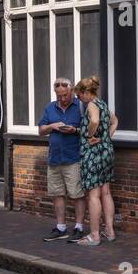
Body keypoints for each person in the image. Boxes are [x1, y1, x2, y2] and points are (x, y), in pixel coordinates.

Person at [37, 77, 87, 242]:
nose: (62, 99)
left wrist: (75, 130)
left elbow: (89, 130)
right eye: (59, 96)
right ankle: (61, 227)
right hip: (54, 159)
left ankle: (79, 227)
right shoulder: (49, 108)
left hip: (73, 158)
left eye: (65, 95)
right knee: (57, 194)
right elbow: (41, 130)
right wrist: (52, 126)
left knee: (77, 194)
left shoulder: (80, 106)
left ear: (71, 91)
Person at [70, 75, 117, 246]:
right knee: (106, 192)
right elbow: (115, 121)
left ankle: (95, 235)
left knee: (93, 195)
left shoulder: (91, 105)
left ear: (86, 92)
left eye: (79, 95)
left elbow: (95, 121)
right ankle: (110, 232)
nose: (78, 99)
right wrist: (105, 138)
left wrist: (91, 135)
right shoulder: (102, 104)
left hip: (93, 154)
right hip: (106, 151)